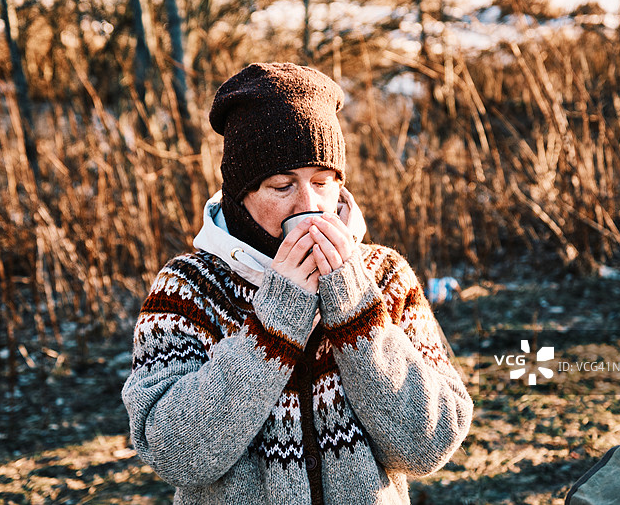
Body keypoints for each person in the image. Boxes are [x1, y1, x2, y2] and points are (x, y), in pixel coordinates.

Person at [122, 62, 473, 505]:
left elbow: (429, 445)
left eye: (322, 182)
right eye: (282, 185)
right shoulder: (187, 288)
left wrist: (354, 308)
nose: (308, 205)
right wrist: (276, 322)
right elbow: (175, 456)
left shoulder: (384, 276)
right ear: (240, 196)